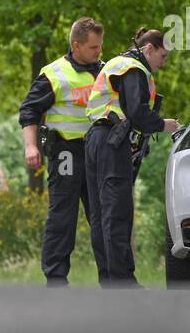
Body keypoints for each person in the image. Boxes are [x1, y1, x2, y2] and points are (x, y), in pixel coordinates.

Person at [84, 27, 180, 287]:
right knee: (117, 213)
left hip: (95, 140)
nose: (163, 63)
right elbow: (136, 112)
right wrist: (164, 125)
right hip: (112, 143)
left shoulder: (116, 63)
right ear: (149, 48)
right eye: (163, 56)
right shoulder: (133, 69)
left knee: (100, 214)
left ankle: (109, 280)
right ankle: (123, 283)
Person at [18, 16, 108, 287]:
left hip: (98, 153)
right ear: (76, 45)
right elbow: (29, 111)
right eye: (93, 47)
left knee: (105, 216)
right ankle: (56, 278)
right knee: (62, 216)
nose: (99, 52)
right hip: (66, 152)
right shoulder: (53, 74)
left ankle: (113, 278)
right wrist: (31, 146)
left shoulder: (106, 72)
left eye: (100, 46)